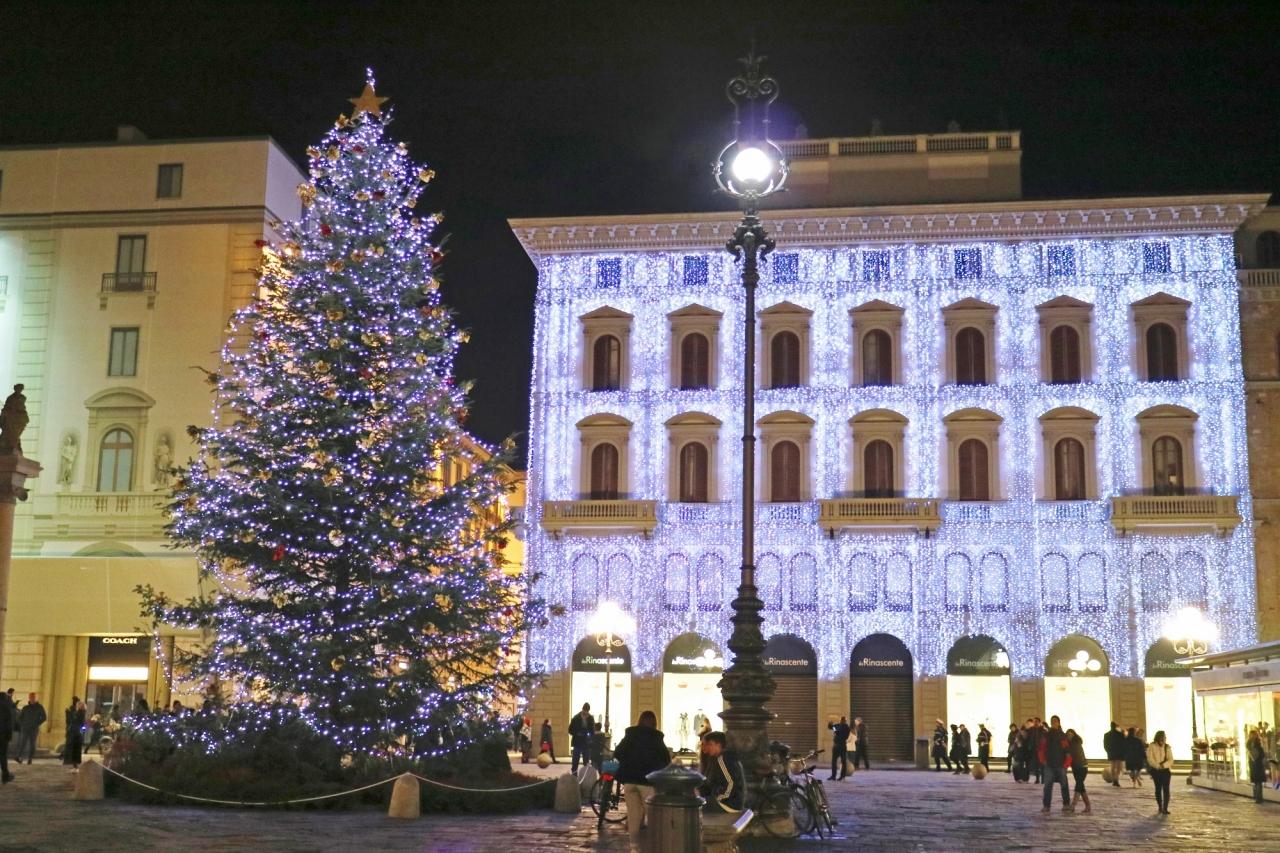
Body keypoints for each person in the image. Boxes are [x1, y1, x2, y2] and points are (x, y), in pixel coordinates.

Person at [613, 710, 672, 849]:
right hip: (647, 782)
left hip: (630, 781)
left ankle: (634, 846)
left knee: (633, 815)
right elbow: (665, 759)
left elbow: (618, 752)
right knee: (653, 814)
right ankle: (655, 845)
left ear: (639, 721)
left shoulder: (630, 734)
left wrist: (629, 762)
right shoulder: (656, 737)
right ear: (654, 723)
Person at [699, 732, 745, 813]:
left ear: (719, 745)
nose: (706, 748)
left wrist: (717, 799)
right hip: (723, 800)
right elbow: (710, 783)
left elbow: (731, 784)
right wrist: (699, 791)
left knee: (694, 807)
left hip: (728, 804)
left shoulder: (724, 759)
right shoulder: (715, 760)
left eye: (709, 744)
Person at [1039, 715, 1071, 814]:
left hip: (1061, 765)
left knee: (1064, 785)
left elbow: (1067, 751)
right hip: (1049, 764)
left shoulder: (1062, 736)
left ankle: (1066, 804)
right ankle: (1046, 806)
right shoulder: (1046, 735)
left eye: (1055, 721)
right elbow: (1041, 748)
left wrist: (1066, 764)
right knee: (1047, 786)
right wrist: (1043, 760)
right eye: (1052, 721)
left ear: (1058, 723)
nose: (1053, 723)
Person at [1147, 730, 1173, 815]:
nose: (1165, 738)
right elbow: (1150, 759)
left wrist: (1164, 765)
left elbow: (1171, 759)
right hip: (1156, 771)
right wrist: (1157, 766)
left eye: (1165, 737)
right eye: (1163, 736)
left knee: (1166, 789)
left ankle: (1165, 808)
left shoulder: (1167, 747)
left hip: (1165, 770)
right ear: (1159, 737)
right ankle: (1160, 806)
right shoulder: (1152, 746)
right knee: (1158, 789)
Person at [17, 693, 47, 764]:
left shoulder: (39, 707)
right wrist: (23, 724)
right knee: (23, 743)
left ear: (36, 698)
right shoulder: (26, 707)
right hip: (25, 728)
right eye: (31, 697)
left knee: (32, 744)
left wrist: (37, 723)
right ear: (29, 698)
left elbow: (44, 717)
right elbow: (20, 717)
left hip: (34, 729)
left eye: (33, 697)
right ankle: (19, 757)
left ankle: (30, 759)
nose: (32, 699)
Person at [1067, 729, 1091, 814]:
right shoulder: (1071, 744)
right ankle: (1088, 806)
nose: (1069, 736)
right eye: (1068, 735)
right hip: (1076, 768)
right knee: (1081, 787)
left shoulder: (1075, 743)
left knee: (1078, 785)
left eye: (1070, 734)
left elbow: (1072, 755)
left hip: (1082, 767)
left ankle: (1073, 805)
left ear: (1074, 735)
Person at [568, 702, 595, 774]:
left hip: (586, 742)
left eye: (587, 712)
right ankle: (574, 774)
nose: (585, 714)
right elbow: (570, 730)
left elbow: (592, 731)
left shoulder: (590, 718)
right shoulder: (576, 718)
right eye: (584, 711)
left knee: (586, 761)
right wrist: (577, 733)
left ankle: (585, 775)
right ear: (582, 709)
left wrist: (590, 736)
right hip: (577, 742)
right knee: (575, 760)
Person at [63, 697, 86, 769]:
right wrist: (82, 731)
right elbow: (83, 724)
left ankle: (74, 763)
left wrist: (68, 713)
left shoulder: (80, 713)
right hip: (77, 733)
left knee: (74, 749)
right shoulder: (81, 712)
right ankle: (74, 763)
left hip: (75, 733)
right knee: (76, 749)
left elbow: (75, 721)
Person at [1247, 730, 1267, 804]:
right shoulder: (1257, 743)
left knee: (1256, 781)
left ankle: (1256, 797)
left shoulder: (1249, 744)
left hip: (1253, 764)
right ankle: (1259, 798)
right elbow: (1262, 754)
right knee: (1259, 782)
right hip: (1258, 764)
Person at [828, 716, 851, 780]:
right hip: (836, 746)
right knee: (834, 761)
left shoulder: (847, 728)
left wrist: (836, 731)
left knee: (843, 761)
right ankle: (833, 776)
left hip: (842, 746)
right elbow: (831, 727)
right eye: (841, 720)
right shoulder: (838, 725)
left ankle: (842, 776)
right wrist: (830, 724)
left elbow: (843, 736)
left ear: (844, 721)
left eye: (843, 720)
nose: (842, 721)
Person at [1103, 721, 1124, 787]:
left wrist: (1108, 751)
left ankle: (1114, 779)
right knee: (1118, 767)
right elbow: (1123, 744)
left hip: (1111, 752)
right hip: (1119, 753)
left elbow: (1105, 745)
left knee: (1113, 767)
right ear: (1115, 726)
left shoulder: (1106, 734)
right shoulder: (1120, 734)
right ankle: (1116, 779)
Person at [0, 688, 15, 783]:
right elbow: (9, 724)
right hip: (3, 735)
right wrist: (9, 736)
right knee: (2, 755)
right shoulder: (6, 708)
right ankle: (5, 775)